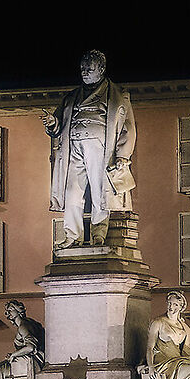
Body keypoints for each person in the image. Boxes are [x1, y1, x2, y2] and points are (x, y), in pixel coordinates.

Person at [45, 49, 136, 247]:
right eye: (82, 69)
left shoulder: (119, 95)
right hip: (73, 147)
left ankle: (99, 233)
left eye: (89, 68)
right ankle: (72, 234)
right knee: (72, 192)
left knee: (99, 191)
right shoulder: (71, 97)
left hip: (100, 148)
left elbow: (128, 128)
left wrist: (122, 155)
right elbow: (58, 126)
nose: (84, 72)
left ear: (101, 69)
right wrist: (52, 122)